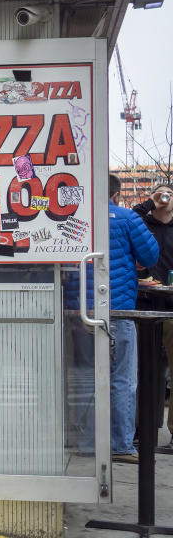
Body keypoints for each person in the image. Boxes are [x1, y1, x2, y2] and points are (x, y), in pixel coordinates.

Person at [109, 174, 159, 462]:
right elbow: (151, 255)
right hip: (117, 308)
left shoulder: (74, 216)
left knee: (84, 377)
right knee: (122, 380)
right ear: (116, 194)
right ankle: (120, 445)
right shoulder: (127, 218)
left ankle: (87, 441)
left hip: (78, 310)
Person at [133, 183, 173, 446]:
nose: (165, 197)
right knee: (139, 369)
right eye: (161, 192)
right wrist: (151, 202)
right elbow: (127, 216)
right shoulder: (140, 223)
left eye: (169, 193)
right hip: (143, 301)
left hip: (171, 304)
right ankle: (138, 430)